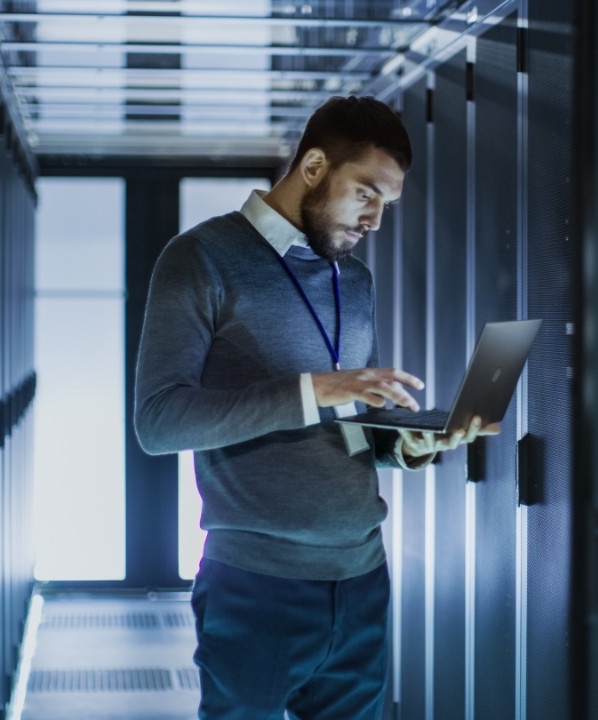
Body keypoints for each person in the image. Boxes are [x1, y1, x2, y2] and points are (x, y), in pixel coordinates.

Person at [133, 96, 496, 719]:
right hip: (255, 585)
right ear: (314, 167)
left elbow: (349, 426)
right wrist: (313, 390)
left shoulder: (352, 280)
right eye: (366, 193)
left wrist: (401, 445)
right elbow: (159, 421)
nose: (376, 219)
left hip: (361, 579)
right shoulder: (200, 258)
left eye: (387, 203)